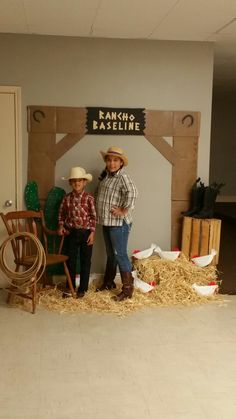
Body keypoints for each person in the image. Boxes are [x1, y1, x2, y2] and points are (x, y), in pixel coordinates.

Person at [96, 146, 138, 301]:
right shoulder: (106, 177)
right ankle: (109, 282)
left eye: (115, 160)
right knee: (110, 253)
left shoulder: (123, 177)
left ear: (121, 163)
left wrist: (123, 210)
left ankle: (127, 290)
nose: (112, 163)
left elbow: (133, 193)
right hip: (107, 222)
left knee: (120, 254)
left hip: (118, 223)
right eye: (109, 160)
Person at [58, 167, 96, 298]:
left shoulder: (89, 198)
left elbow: (93, 217)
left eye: (79, 181)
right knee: (71, 261)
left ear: (85, 182)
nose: (77, 183)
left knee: (86, 261)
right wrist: (61, 226)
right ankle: (70, 286)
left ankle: (83, 288)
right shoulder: (66, 199)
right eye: (74, 181)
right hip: (71, 233)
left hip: (86, 233)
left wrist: (92, 233)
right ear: (70, 183)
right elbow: (61, 215)